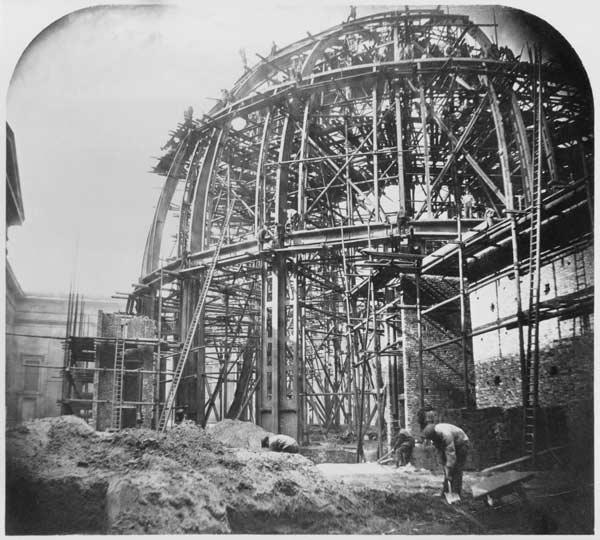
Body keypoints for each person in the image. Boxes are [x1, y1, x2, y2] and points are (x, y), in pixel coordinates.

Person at [422, 422, 470, 497]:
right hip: (452, 444)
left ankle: (455, 493)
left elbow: (451, 453)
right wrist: (444, 465)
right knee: (447, 471)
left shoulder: (446, 435)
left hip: (462, 443)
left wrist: (449, 467)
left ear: (435, 434)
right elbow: (439, 450)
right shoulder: (435, 436)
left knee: (456, 469)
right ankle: (446, 492)